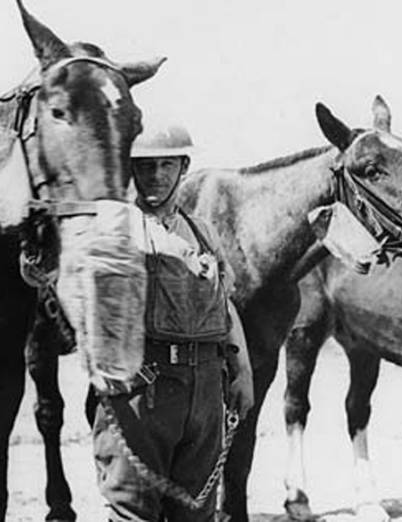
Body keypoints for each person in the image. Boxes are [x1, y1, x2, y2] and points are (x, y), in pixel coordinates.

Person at [90, 123, 254, 521]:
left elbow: (224, 304)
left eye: (167, 165)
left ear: (183, 168)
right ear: (132, 171)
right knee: (132, 509)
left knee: (196, 512)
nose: (157, 176)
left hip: (204, 388)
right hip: (142, 386)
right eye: (146, 166)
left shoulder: (202, 232)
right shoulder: (113, 226)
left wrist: (242, 370)